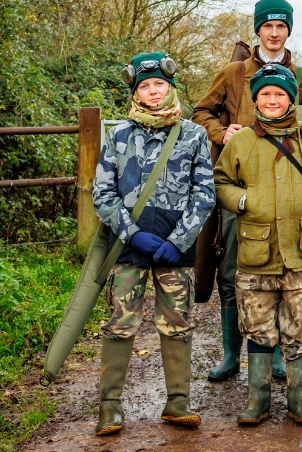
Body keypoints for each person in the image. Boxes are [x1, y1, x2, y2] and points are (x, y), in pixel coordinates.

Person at [192, 0, 302, 384]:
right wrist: (223, 132)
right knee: (233, 271)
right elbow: (199, 112)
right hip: (244, 190)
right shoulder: (234, 72)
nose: (274, 33)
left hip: (287, 195)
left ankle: (276, 358)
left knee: (286, 271)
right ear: (258, 30)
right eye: (267, 26)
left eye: (281, 26)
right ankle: (231, 354)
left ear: (288, 30)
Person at [90, 52, 215, 435]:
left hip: (174, 254)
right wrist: (132, 233)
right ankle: (110, 406)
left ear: (171, 87)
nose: (153, 92)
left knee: (177, 323)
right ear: (136, 93)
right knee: (120, 323)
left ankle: (177, 401)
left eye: (159, 84)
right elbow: (103, 193)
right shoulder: (119, 137)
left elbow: (204, 192)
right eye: (144, 87)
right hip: (128, 250)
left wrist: (179, 241)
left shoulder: (194, 135)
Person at [213, 63, 302, 426]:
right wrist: (243, 201)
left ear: (291, 99)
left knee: (297, 327)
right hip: (255, 255)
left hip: (300, 253)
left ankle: (299, 402)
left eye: (280, 94)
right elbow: (221, 182)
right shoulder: (240, 142)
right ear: (256, 99)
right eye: (265, 94)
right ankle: (258, 401)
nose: (272, 100)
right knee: (257, 327)